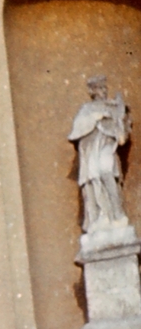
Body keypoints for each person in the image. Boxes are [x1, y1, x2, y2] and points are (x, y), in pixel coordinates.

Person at [69, 75, 132, 234]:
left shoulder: (112, 107)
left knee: (106, 172)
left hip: (106, 148)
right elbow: (77, 130)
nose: (103, 91)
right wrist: (96, 117)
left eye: (104, 88)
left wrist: (120, 117)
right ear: (93, 91)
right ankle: (100, 216)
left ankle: (116, 214)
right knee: (93, 178)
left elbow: (122, 136)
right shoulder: (86, 109)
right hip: (91, 151)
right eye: (99, 88)